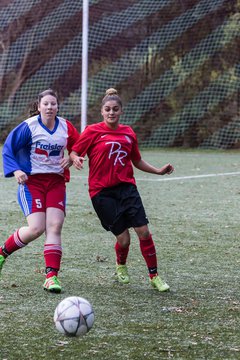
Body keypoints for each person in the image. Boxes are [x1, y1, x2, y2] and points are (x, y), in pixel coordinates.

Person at [70, 88, 174, 292]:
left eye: (115, 109)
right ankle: (121, 266)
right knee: (124, 239)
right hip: (102, 193)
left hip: (127, 189)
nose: (111, 113)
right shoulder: (92, 131)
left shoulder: (128, 133)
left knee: (143, 232)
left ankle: (154, 276)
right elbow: (74, 151)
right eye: (107, 109)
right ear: (102, 111)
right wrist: (76, 158)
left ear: (121, 111)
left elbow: (137, 160)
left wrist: (158, 171)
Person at [0, 89, 79, 293]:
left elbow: (79, 145)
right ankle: (2, 253)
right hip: (32, 183)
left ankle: (51, 277)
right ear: (38, 106)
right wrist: (16, 170)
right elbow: (8, 148)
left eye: (53, 104)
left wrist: (72, 157)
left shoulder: (65, 126)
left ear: (58, 106)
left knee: (54, 226)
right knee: (36, 228)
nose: (50, 107)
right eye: (46, 104)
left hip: (56, 182)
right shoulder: (29, 127)